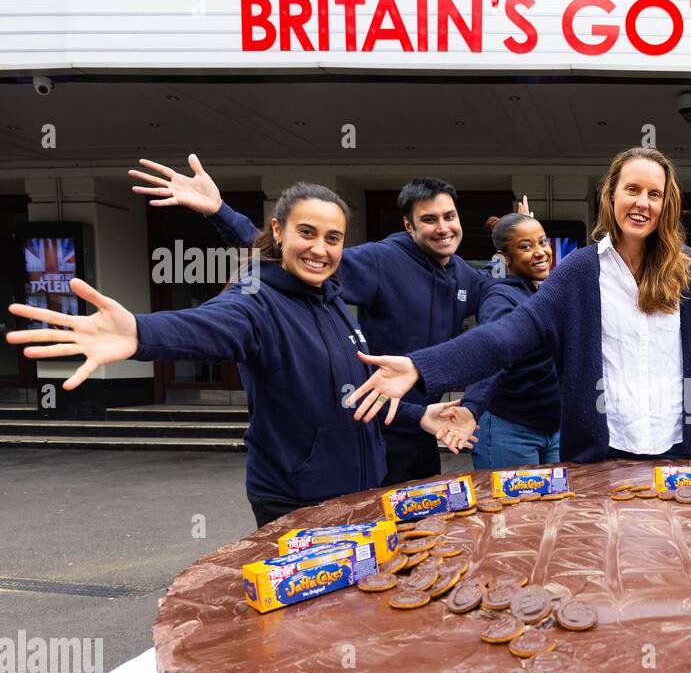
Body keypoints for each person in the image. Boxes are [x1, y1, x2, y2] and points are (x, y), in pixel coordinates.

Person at [343, 147, 691, 462]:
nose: (643, 203)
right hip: (601, 454)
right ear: (611, 196)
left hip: (677, 454)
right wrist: (422, 366)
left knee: (667, 584)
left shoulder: (690, 269)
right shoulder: (578, 272)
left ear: (667, 204)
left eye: (655, 194)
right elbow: (507, 336)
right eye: (632, 190)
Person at [7, 182, 472, 527]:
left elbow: (354, 394)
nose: (320, 248)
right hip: (299, 502)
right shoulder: (256, 299)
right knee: (306, 636)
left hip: (360, 493)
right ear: (278, 230)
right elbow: (210, 327)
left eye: (333, 238)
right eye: (306, 232)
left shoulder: (333, 301)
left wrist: (420, 417)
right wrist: (140, 332)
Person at [129, 155, 491, 484]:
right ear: (409, 227)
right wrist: (220, 212)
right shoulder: (378, 262)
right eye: (429, 220)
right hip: (377, 427)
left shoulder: (464, 276)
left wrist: (518, 237)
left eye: (449, 217)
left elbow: (502, 320)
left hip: (424, 422)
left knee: (416, 532)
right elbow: (291, 257)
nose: (443, 228)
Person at [462, 213, 562, 468]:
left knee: (556, 506)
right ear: (505, 258)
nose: (540, 252)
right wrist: (470, 408)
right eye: (526, 246)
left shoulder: (541, 289)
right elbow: (494, 352)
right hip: (511, 429)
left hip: (551, 426)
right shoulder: (500, 297)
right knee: (514, 509)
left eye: (542, 242)